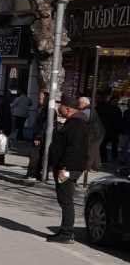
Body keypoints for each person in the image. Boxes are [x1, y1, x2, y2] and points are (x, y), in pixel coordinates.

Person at [49, 95, 89, 243]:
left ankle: (67, 233)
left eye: (60, 106)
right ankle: (65, 231)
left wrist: (65, 168)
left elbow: (74, 149)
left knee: (66, 200)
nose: (58, 109)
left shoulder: (76, 124)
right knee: (64, 199)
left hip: (67, 168)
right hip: (67, 167)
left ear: (67, 108)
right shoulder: (73, 122)